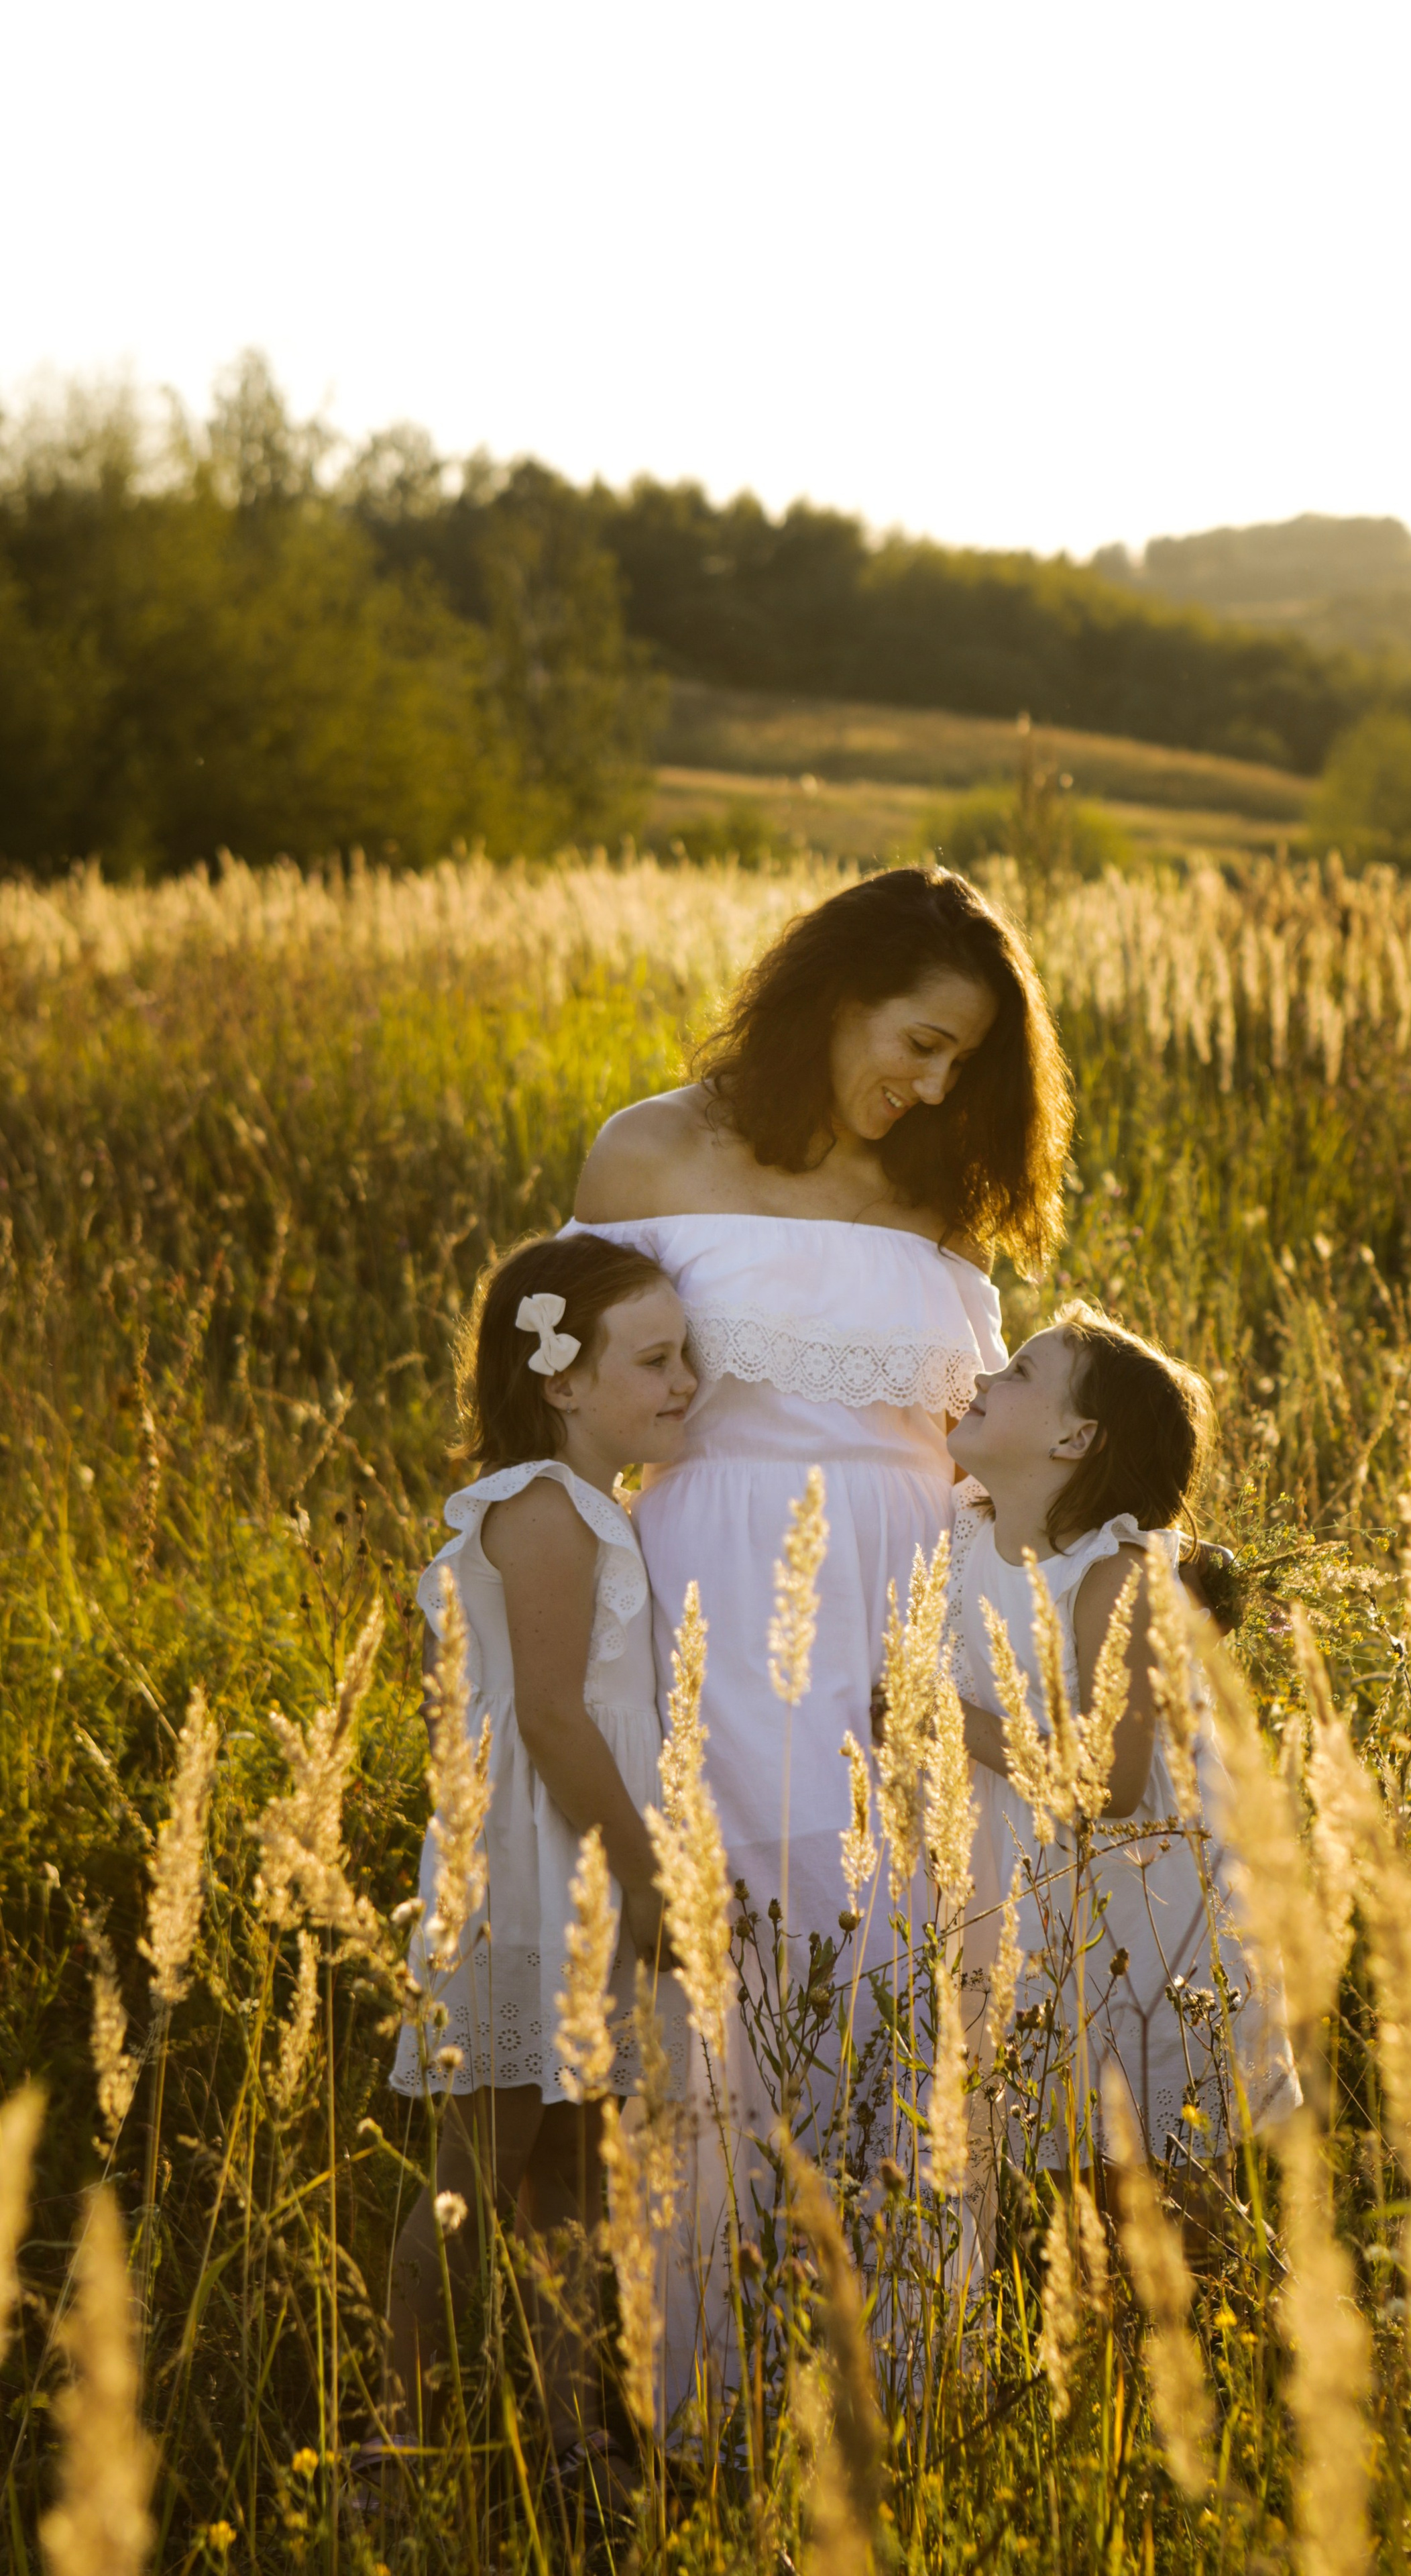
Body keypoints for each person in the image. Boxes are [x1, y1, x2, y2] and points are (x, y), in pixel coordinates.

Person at [568, 865, 1072, 2396]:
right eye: (918, 1042)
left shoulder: (937, 1194)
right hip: (711, 1587)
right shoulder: (651, 1149)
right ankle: (700, 2391)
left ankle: (895, 2385)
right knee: (725, 1962)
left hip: (919, 1612)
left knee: (911, 1962)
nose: (930, 1087)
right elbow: (569, 1406)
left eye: (962, 1065)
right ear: (833, 995)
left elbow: (989, 1440)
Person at [381, 1230, 696, 2493]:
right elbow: (554, 1718)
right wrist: (651, 1872)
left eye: (691, 1357)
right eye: (658, 1359)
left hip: (575, 1861)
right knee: (480, 2165)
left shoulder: (592, 1509)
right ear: (562, 1379)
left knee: (572, 2167)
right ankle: (387, 2439)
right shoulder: (544, 1513)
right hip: (538, 1871)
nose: (686, 1382)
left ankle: (570, 2439)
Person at [942, 1301, 1298, 2173]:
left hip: (1152, 1903)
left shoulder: (1112, 1576)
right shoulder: (971, 1529)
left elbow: (1113, 1784)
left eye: (1019, 1372)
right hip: (1047, 1886)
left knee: (1165, 2157)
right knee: (1060, 2143)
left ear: (1075, 1441)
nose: (985, 1376)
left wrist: (949, 1720)